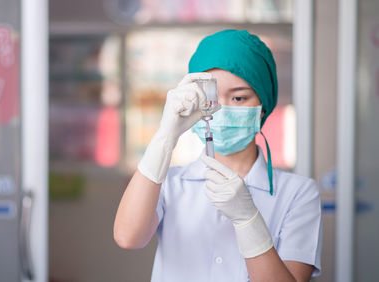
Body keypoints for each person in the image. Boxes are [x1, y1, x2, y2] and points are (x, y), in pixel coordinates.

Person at [113, 30, 322, 282]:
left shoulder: (297, 193)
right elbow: (127, 237)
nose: (221, 110)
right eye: (210, 98)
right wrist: (165, 137)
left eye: (239, 97)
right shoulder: (170, 182)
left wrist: (248, 220)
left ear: (263, 105)